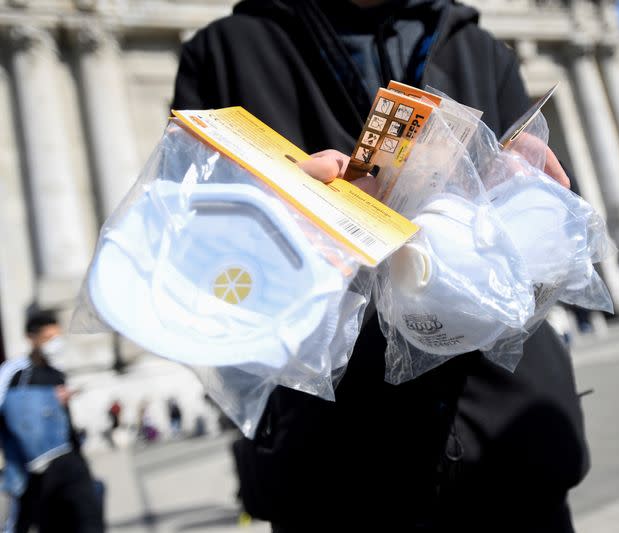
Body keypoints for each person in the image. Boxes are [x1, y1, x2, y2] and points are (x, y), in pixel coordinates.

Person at [173, 1, 587, 530]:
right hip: (333, 463)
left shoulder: (481, 49)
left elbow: (551, 264)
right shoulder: (223, 51)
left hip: (511, 447)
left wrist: (537, 213)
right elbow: (193, 255)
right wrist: (273, 228)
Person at [0, 309, 104, 533]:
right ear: (31, 338)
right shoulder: (15, 373)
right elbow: (9, 411)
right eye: (48, 338)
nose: (54, 344)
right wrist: (48, 399)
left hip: (71, 459)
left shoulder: (57, 373)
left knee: (89, 520)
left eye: (57, 337)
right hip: (37, 469)